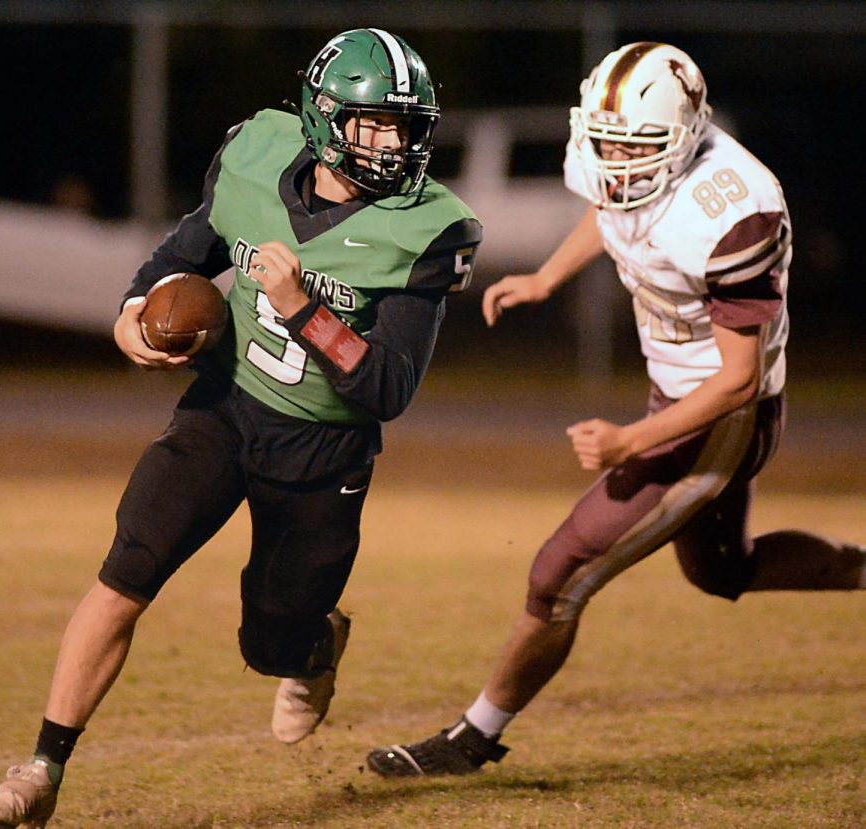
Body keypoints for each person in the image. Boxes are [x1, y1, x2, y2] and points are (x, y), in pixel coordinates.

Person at [0, 28, 480, 827]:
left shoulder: (427, 228)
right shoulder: (256, 152)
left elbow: (389, 386)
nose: (391, 145)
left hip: (323, 446)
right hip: (223, 406)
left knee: (270, 643)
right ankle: (40, 768)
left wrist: (301, 306)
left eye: (404, 127)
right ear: (319, 119)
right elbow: (179, 255)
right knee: (126, 568)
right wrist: (133, 317)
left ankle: (313, 644)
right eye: (372, 123)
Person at [366, 41, 865, 778]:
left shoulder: (730, 212)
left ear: (685, 137)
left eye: (637, 145)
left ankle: (471, 739)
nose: (619, 160)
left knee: (558, 571)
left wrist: (633, 441)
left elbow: (737, 380)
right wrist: (545, 278)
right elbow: (615, 211)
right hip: (680, 397)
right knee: (724, 571)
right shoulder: (627, 167)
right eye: (608, 142)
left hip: (718, 417)